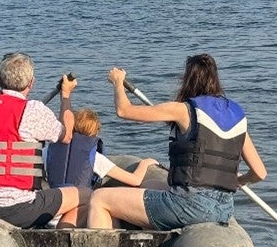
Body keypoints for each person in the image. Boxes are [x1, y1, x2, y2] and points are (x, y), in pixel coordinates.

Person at [87, 54, 267, 230]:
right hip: (223, 208)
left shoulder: (183, 110)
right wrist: (238, 181)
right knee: (148, 185)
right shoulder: (236, 116)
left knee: (100, 198)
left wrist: (118, 82)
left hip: (189, 206)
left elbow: (124, 110)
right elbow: (259, 172)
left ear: (187, 79)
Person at [0, 52, 88, 228]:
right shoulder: (32, 109)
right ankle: (61, 238)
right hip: (14, 209)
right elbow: (66, 136)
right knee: (85, 195)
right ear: (31, 83)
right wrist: (65, 96)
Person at [46, 107, 160, 227]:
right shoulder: (94, 157)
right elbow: (135, 180)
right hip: (68, 218)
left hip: (50, 212)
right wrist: (145, 163)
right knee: (106, 206)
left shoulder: (49, 150)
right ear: (94, 133)